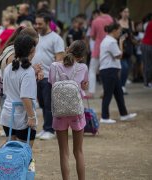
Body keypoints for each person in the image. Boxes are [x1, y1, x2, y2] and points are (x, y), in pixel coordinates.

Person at [0, 34, 37, 180]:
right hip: (22, 117)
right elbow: (25, 96)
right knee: (25, 154)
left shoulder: (9, 68)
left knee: (8, 148)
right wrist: (31, 116)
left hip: (7, 114)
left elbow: (7, 90)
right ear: (31, 51)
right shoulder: (28, 71)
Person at [48, 40, 88, 180]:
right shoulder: (82, 67)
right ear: (82, 57)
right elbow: (83, 87)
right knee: (78, 151)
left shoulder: (54, 66)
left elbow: (53, 84)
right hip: (76, 111)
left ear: (67, 49)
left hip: (59, 111)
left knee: (63, 152)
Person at [33, 12, 65, 140]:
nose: (37, 26)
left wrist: (55, 77)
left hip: (48, 77)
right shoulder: (36, 37)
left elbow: (59, 59)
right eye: (36, 23)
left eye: (40, 24)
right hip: (36, 76)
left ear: (48, 23)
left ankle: (50, 129)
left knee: (48, 104)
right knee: (42, 103)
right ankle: (46, 127)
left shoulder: (56, 38)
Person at [99, 23, 137, 124]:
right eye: (119, 31)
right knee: (108, 94)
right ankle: (104, 117)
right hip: (109, 70)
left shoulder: (107, 40)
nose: (120, 33)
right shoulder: (111, 41)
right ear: (114, 30)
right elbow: (119, 56)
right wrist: (121, 42)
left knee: (119, 93)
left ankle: (123, 114)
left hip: (109, 70)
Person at [88, 3, 113, 98]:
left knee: (92, 70)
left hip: (98, 47)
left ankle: (91, 92)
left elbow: (92, 36)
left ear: (100, 10)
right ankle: (104, 91)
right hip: (109, 48)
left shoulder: (95, 21)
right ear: (109, 11)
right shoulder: (111, 20)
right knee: (105, 70)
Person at [118, 7, 135, 94]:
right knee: (124, 67)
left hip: (129, 47)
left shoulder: (130, 22)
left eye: (127, 12)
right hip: (121, 47)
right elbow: (117, 36)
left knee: (127, 68)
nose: (126, 13)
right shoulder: (118, 23)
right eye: (124, 11)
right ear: (121, 13)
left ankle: (122, 86)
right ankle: (121, 86)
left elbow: (132, 34)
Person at [141, 18, 152, 88]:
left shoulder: (150, 22)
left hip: (147, 44)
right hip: (148, 45)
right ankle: (147, 82)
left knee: (148, 64)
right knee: (147, 65)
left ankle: (148, 82)